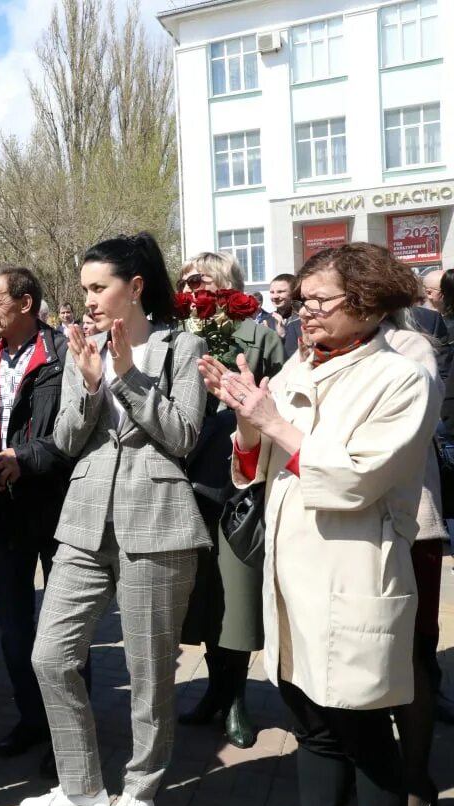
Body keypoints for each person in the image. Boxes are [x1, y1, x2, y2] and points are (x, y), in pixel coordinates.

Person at [199, 242, 438, 806]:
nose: (305, 313)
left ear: (367, 301)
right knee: (313, 730)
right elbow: (253, 471)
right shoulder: (300, 366)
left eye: (320, 301)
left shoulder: (401, 377)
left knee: (362, 733)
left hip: (350, 570)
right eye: (303, 301)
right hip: (292, 577)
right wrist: (248, 420)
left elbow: (356, 480)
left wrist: (274, 420)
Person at [21, 233, 209, 806]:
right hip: (84, 520)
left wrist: (127, 375)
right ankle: (81, 792)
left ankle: (141, 790)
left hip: (157, 518)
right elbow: (70, 439)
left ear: (135, 288)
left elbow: (182, 436)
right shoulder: (85, 349)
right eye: (83, 290)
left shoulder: (181, 346)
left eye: (98, 288)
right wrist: (93, 380)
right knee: (50, 655)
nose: (89, 301)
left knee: (150, 670)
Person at [0, 266, 72, 767]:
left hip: (57, 506)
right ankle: (32, 719)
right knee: (12, 626)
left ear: (25, 304)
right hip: (2, 509)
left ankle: (69, 734)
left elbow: (76, 434)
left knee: (65, 630)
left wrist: (22, 460)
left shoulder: (66, 356)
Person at [175, 252, 284, 750]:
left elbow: (280, 400)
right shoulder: (174, 333)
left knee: (235, 598)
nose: (189, 284)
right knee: (199, 599)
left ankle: (236, 699)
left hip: (239, 486)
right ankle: (215, 692)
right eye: (184, 279)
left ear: (224, 283)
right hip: (183, 484)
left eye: (198, 277)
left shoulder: (258, 336)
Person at [378, 316, 445, 806]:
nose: (309, 312)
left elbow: (408, 428)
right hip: (339, 531)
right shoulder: (312, 349)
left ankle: (418, 779)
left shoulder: (409, 347)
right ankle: (371, 772)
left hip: (409, 526)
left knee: (414, 659)